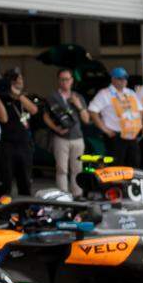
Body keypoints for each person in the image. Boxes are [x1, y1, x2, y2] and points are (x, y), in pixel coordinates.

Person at [44, 68, 89, 197]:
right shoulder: (53, 97)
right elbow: (45, 116)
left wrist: (78, 105)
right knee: (61, 169)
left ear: (72, 81)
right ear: (58, 81)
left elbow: (86, 119)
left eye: (67, 80)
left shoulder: (78, 97)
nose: (65, 82)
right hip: (61, 137)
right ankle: (63, 195)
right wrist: (55, 128)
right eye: (62, 79)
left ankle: (77, 194)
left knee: (77, 168)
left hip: (77, 138)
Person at [0, 68, 38, 198]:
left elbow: (34, 110)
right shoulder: (1, 97)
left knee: (25, 182)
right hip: (6, 145)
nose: (20, 82)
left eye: (20, 79)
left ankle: (24, 214)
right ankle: (3, 215)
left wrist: (18, 95)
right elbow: (3, 118)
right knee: (5, 183)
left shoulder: (23, 98)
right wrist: (7, 93)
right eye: (17, 80)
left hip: (24, 145)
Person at [89, 67, 142, 167]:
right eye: (120, 78)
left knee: (134, 164)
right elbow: (92, 111)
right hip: (115, 136)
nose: (123, 81)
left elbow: (140, 110)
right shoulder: (104, 94)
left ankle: (131, 183)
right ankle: (117, 183)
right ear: (113, 79)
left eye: (125, 78)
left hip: (132, 135)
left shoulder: (130, 93)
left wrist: (139, 126)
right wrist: (105, 130)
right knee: (117, 166)